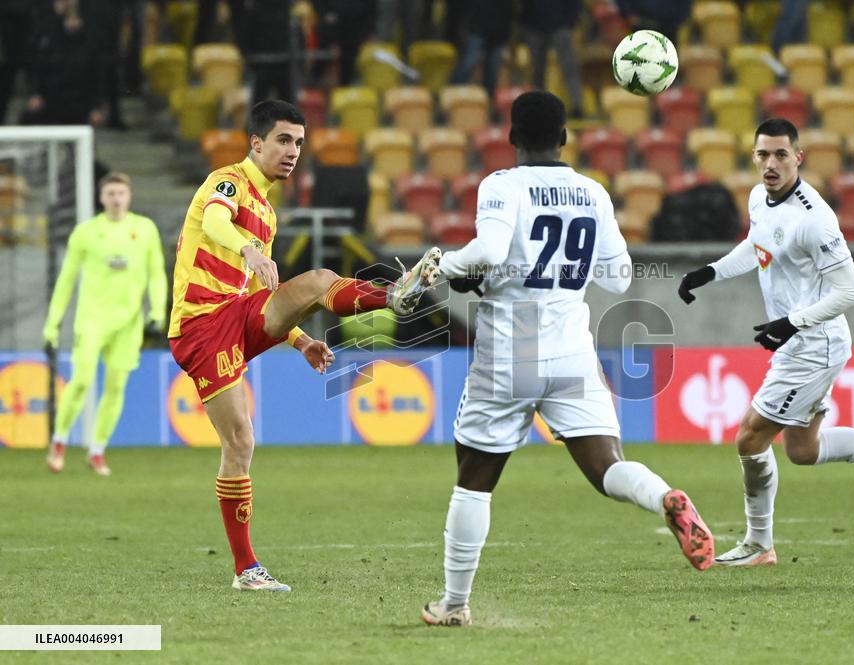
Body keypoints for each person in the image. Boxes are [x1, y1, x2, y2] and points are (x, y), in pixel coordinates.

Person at [420, 91, 714, 627]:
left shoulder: (501, 185)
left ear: (510, 138)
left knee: (474, 477)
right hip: (572, 349)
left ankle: (455, 605)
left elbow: (486, 253)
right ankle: (664, 496)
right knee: (608, 467)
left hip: (511, 348)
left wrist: (442, 267)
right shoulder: (592, 192)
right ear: (564, 139)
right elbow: (618, 277)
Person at [168, 99, 440, 592]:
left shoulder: (268, 213)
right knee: (240, 442)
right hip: (202, 325)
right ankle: (246, 570)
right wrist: (247, 247)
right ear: (257, 142)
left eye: (298, 142)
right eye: (283, 140)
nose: (293, 151)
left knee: (316, 280)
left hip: (239, 313)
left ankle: (393, 295)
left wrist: (299, 339)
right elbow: (212, 221)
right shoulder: (226, 181)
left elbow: (258, 290)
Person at [677, 118, 854, 568]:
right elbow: (757, 247)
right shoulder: (759, 198)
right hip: (801, 340)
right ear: (753, 156)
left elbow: (852, 291)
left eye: (780, 155)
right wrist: (710, 272)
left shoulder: (816, 219)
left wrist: (792, 322)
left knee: (750, 436)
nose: (770, 164)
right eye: (762, 155)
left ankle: (758, 544)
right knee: (802, 451)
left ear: (799, 157)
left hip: (814, 343)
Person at [44, 172, 168, 476]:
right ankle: (59, 440)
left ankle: (97, 450)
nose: (116, 199)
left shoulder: (144, 229)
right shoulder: (86, 232)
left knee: (116, 386)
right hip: (92, 318)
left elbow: (156, 272)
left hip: (128, 322)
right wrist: (52, 325)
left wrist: (157, 313)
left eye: (121, 193)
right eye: (110, 193)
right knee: (83, 380)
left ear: (129, 196)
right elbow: (66, 280)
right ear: (102, 198)